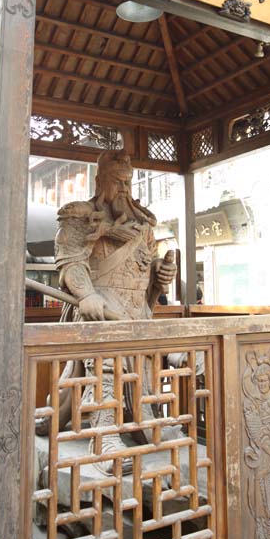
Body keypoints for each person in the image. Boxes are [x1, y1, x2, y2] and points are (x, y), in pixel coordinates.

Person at [53, 150, 176, 470]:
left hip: (136, 311)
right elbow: (70, 263)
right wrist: (87, 294)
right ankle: (103, 431)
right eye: (116, 181)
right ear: (100, 181)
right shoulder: (79, 216)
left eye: (127, 182)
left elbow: (147, 268)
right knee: (107, 364)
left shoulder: (144, 224)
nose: (123, 188)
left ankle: (143, 422)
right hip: (101, 311)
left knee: (142, 371)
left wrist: (162, 276)